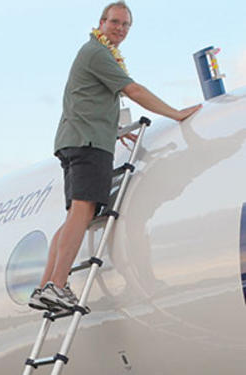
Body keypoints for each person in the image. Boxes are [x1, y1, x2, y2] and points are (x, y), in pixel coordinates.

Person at [29, 1, 201, 312]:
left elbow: (86, 99)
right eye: (115, 22)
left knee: (74, 216)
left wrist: (116, 129)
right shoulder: (97, 52)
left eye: (125, 25)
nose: (120, 29)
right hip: (89, 143)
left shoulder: (96, 54)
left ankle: (44, 286)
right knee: (83, 212)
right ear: (101, 23)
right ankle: (56, 284)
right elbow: (133, 90)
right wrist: (175, 114)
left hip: (78, 138)